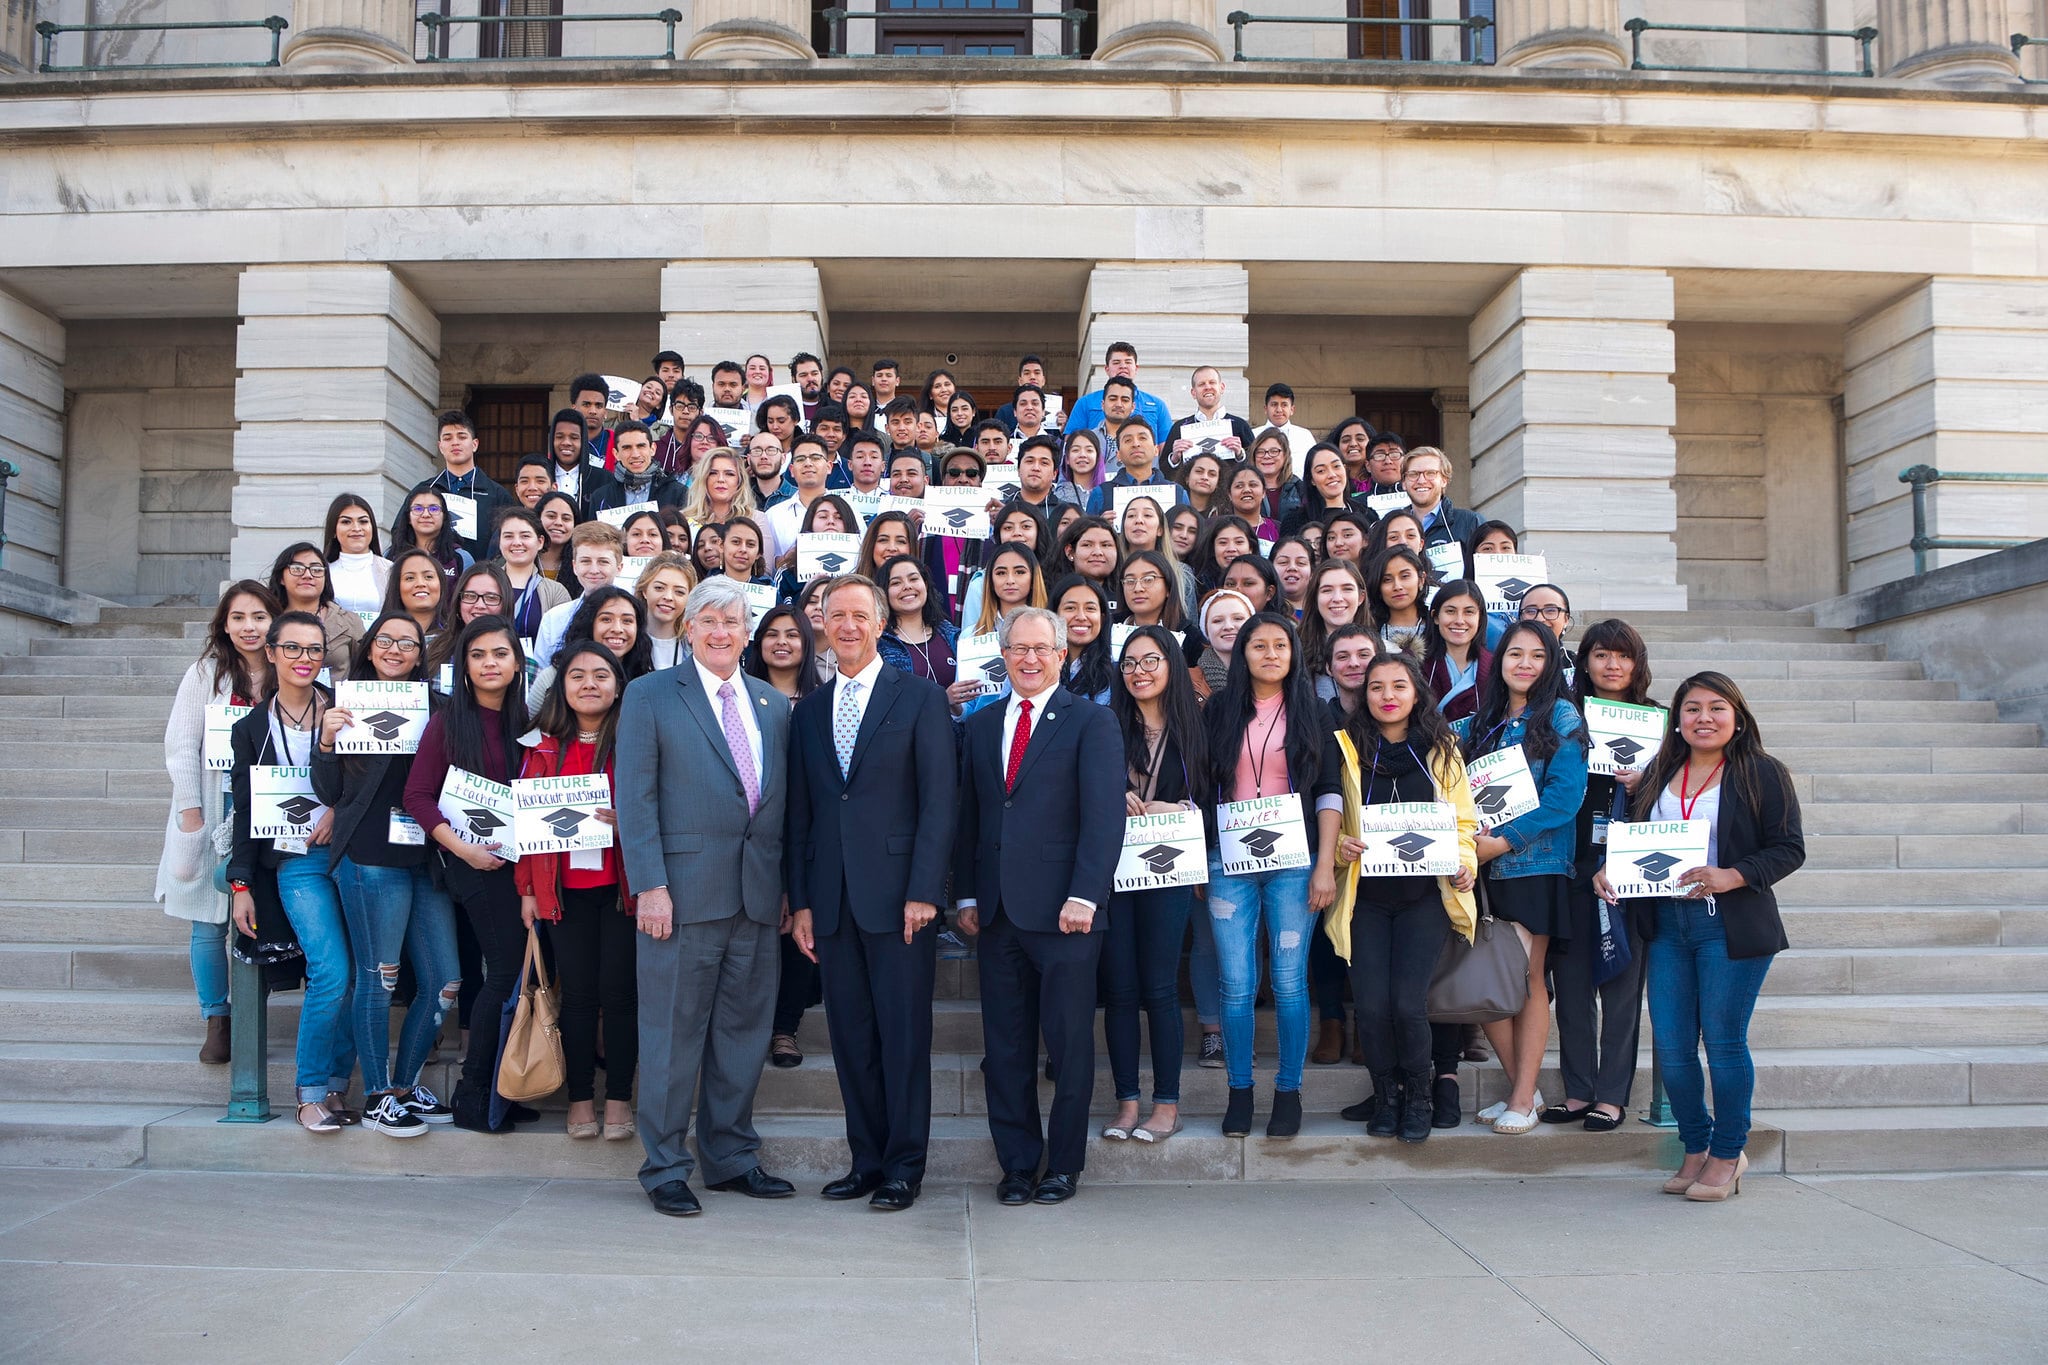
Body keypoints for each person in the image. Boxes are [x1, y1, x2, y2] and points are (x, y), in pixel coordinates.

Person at [616, 577, 797, 1217]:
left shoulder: (773, 705)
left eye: (733, 622)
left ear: (748, 633)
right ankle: (665, 1166)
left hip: (756, 898)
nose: (722, 632)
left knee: (743, 1038)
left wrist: (784, 889)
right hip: (681, 899)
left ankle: (730, 1158)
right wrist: (652, 888)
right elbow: (633, 800)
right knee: (670, 1036)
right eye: (709, 621)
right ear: (689, 628)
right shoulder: (650, 695)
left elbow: (780, 807)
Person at [783, 576, 957, 1211]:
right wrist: (800, 901)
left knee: (902, 1034)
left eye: (860, 615)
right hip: (830, 901)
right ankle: (866, 1159)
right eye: (837, 616)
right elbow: (800, 814)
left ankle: (905, 1166)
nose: (848, 626)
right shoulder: (808, 709)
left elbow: (940, 804)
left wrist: (925, 892)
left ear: (881, 623)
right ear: (823, 626)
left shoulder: (920, 698)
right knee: (852, 1034)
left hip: (899, 900)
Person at [1597, 672, 1804, 1200]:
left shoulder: (1761, 772)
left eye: (1716, 708)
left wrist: (1734, 874)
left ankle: (1729, 1153)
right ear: (1677, 719)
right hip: (1667, 923)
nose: (1704, 718)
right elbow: (1639, 842)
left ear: (1737, 717)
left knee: (1723, 1040)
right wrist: (1611, 871)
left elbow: (1789, 848)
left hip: (1729, 926)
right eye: (1691, 709)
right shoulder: (1661, 772)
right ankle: (1695, 1148)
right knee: (1672, 1045)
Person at [954, 606, 1124, 1206]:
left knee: (1070, 1044)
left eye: (1040, 649)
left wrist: (1085, 894)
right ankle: (1019, 1165)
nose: (1028, 659)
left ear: (1061, 654)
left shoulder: (1090, 722)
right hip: (998, 914)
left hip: (1066, 914)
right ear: (1003, 655)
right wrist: (968, 893)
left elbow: (1104, 819)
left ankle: (1064, 1166)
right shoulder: (980, 725)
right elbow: (971, 816)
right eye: (1017, 649)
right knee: (1004, 1047)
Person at [313, 611, 459, 1138]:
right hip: (370, 857)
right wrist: (327, 742)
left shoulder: (439, 706)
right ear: (369, 649)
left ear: (421, 655)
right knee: (380, 979)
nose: (396, 649)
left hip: (427, 856)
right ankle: (376, 1094)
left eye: (408, 642)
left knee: (444, 979)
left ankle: (405, 1084)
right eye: (385, 641)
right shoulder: (342, 705)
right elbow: (329, 793)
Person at [1203, 613, 1343, 1139]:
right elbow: (1201, 783)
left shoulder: (1316, 710)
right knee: (1237, 985)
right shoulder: (1218, 710)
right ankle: (1240, 1091)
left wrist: (1325, 864)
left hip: (1295, 862)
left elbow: (1329, 791)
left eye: (1279, 645)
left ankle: (1289, 1090)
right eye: (1257, 645)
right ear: (1242, 654)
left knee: (1287, 980)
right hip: (1228, 864)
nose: (1269, 654)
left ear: (1293, 653)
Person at [1332, 654, 1479, 1143]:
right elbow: (1330, 817)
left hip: (1424, 898)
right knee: (1372, 1007)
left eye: (1398, 685)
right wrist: (1339, 846)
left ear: (1417, 692)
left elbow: (1462, 821)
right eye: (1376, 687)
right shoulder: (1346, 747)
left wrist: (1466, 864)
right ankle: (1387, 1094)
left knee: (1408, 1004)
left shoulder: (1441, 749)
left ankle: (1419, 1095)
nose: (1387, 695)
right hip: (1367, 898)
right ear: (1364, 694)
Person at [225, 611, 357, 1133]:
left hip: (351, 855)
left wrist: (339, 812)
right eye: (295, 649)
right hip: (294, 863)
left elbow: (375, 786)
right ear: (274, 653)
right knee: (331, 970)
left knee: (358, 972)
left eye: (315, 649)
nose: (306, 659)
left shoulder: (348, 708)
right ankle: (309, 1093)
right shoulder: (251, 728)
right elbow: (243, 807)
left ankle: (337, 1087)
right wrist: (240, 884)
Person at [402, 616, 528, 1133]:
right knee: (501, 973)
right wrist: (466, 852)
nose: (489, 663)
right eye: (478, 655)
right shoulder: (448, 722)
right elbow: (416, 797)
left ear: (517, 662)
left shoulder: (534, 720)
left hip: (527, 867)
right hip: (477, 870)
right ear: (464, 665)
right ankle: (475, 1096)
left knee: (518, 975)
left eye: (499, 653)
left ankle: (505, 1089)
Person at [1468, 620, 1588, 1135]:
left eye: (1536, 656)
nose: (1524, 664)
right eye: (1514, 653)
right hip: (1481, 869)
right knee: (1485, 980)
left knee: (1525, 977)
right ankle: (1526, 1087)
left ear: (1551, 663)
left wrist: (1505, 839)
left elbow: (1565, 798)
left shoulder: (1562, 715)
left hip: (1534, 864)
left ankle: (1521, 1095)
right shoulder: (1481, 721)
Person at [518, 641, 637, 1143]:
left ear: (618, 686)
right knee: (580, 997)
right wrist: (527, 891)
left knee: (621, 995)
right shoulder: (540, 746)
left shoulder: (636, 740)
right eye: (577, 676)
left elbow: (662, 809)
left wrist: (625, 823)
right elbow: (524, 828)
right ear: (561, 688)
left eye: (601, 675)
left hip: (621, 891)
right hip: (564, 892)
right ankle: (580, 1100)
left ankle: (620, 1100)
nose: (589, 684)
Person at [1100, 624, 1210, 1146]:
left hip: (1168, 870)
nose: (1139, 671)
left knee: (1161, 989)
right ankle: (1127, 1103)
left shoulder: (1200, 728)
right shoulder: (1103, 725)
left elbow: (1217, 800)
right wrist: (1112, 796)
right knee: (1119, 989)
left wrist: (1182, 807)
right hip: (1113, 873)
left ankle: (1166, 1105)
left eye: (1150, 661)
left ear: (1170, 664)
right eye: (1129, 663)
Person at [157, 581, 276, 1064]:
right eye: (239, 617)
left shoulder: (289, 665)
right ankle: (217, 1017)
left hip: (265, 807)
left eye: (259, 617)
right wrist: (191, 815)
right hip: (213, 800)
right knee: (207, 922)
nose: (249, 627)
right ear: (224, 624)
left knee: (261, 917)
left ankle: (253, 1009)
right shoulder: (206, 673)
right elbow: (181, 745)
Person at [1548, 618, 1654, 1132]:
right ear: (1584, 661)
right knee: (1569, 987)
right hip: (1572, 864)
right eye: (1601, 655)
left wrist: (1647, 780)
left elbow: (1680, 801)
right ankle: (1576, 1091)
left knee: (1622, 988)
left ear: (1638, 664)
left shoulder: (1661, 722)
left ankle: (1611, 1096)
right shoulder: (1567, 720)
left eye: (1623, 655)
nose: (1613, 665)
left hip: (1632, 872)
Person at [744, 605, 823, 1071]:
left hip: (809, 834)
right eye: (770, 634)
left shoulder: (823, 698)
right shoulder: (740, 697)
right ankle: (749, 1027)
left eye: (792, 634)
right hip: (753, 833)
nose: (781, 642)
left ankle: (784, 1029)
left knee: (798, 927)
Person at [395, 412, 516, 561]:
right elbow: (400, 533)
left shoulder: (496, 494)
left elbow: (508, 541)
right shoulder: (425, 490)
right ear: (440, 446)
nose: (455, 442)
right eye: (447, 438)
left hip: (478, 579)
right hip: (430, 575)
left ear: (475, 444)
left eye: (462, 436)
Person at [532, 521, 625, 669]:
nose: (594, 570)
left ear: (619, 567)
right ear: (575, 566)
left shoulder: (633, 618)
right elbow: (541, 675)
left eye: (603, 562)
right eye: (586, 561)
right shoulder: (554, 619)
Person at [877, 555, 966, 704]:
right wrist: (943, 700)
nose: (907, 586)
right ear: (884, 592)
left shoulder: (950, 634)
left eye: (913, 579)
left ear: (925, 584)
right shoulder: (879, 644)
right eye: (896, 583)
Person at [268, 542, 363, 680]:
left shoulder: (349, 622)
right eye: (297, 568)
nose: (307, 575)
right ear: (281, 577)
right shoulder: (268, 620)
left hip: (336, 700)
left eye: (317, 570)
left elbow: (364, 669)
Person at [1067, 341, 1172, 445]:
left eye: (1128, 362)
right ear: (1107, 369)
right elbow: (1071, 444)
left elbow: (1166, 447)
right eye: (1116, 362)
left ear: (1136, 368)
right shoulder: (1085, 403)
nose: (1123, 366)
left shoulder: (1157, 405)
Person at [493, 508, 572, 645]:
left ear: (540, 542)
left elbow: (563, 643)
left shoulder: (556, 592)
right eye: (508, 536)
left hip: (538, 666)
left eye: (525, 536)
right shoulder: (483, 584)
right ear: (499, 541)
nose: (517, 542)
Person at [1085, 418, 1188, 519]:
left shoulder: (1178, 493)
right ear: (1118, 455)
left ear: (1156, 450)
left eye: (1142, 438)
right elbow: (1087, 533)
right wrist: (1101, 526)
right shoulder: (1101, 493)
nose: (1136, 444)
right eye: (1128, 440)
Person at [1423, 580, 1491, 726]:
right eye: (1450, 611)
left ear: (1480, 618)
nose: (1460, 621)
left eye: (1469, 612)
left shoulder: (1496, 667)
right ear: (1435, 617)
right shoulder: (1415, 664)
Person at [589, 422, 687, 515]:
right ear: (616, 454)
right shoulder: (600, 497)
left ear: (652, 449)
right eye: (627, 448)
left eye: (641, 446)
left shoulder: (677, 493)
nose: (635, 454)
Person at [1299, 557, 1368, 686]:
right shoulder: (1294, 651)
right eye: (1327, 590)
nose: (1337, 598)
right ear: (1315, 599)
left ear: (1361, 597)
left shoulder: (1384, 651)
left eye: (1347, 589)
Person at [324, 493, 390, 619]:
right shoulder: (321, 572)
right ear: (333, 530)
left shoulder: (391, 570)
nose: (356, 528)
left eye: (363, 521)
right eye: (346, 522)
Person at [1402, 447, 1480, 549]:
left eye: (1430, 473)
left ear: (1444, 480)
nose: (1421, 480)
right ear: (1403, 483)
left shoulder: (1470, 522)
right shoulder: (1390, 530)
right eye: (1413, 474)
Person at [1278, 444, 1362, 538]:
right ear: (1312, 479)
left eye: (1336, 466)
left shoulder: (1365, 513)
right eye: (1321, 471)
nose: (1332, 475)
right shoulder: (1294, 521)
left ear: (1345, 469)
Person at [394, 488, 475, 583]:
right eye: (418, 509)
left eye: (434, 509)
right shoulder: (392, 555)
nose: (426, 514)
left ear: (444, 516)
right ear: (408, 517)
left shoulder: (461, 558)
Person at [1367, 545, 1434, 660]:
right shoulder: (1368, 631)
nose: (1397, 586)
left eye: (1405, 576)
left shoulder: (1437, 627)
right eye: (1387, 580)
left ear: (1421, 579)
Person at [1189, 586, 1255, 702]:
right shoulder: (1187, 681)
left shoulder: (1270, 675)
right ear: (1206, 629)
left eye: (1238, 618)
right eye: (1218, 621)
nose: (1228, 626)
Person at [632, 552, 694, 672]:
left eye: (679, 592)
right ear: (644, 591)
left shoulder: (695, 648)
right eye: (659, 588)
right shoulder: (627, 641)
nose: (668, 597)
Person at [545, 406, 607, 512]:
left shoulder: (604, 480)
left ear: (583, 441)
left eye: (574, 438)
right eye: (560, 437)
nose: (566, 443)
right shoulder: (541, 477)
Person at [681, 448, 755, 534]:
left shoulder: (755, 519)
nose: (721, 479)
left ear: (740, 481)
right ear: (704, 478)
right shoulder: (683, 520)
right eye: (713, 473)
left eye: (729, 474)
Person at [382, 547, 447, 641]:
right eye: (410, 578)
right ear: (397, 587)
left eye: (428, 577)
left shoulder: (456, 640)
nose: (420, 583)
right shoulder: (379, 638)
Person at [1253, 381, 1316, 476]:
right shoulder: (1253, 435)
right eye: (1274, 404)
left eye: (1284, 405)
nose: (1279, 410)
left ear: (1292, 409)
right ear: (1266, 409)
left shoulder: (1305, 436)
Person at [533, 491, 578, 583]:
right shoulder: (521, 557)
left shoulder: (582, 561)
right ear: (537, 519)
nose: (558, 523)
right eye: (551, 516)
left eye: (566, 518)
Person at [1271, 535, 1315, 620]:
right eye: (1283, 562)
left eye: (1301, 563)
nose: (1292, 568)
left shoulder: (1323, 612)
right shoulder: (1263, 611)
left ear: (1312, 572)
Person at [1059, 428, 1105, 500]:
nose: (1082, 455)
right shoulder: (1058, 495)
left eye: (1089, 450)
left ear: (1097, 457)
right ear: (1067, 458)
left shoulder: (1110, 493)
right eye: (1075, 450)